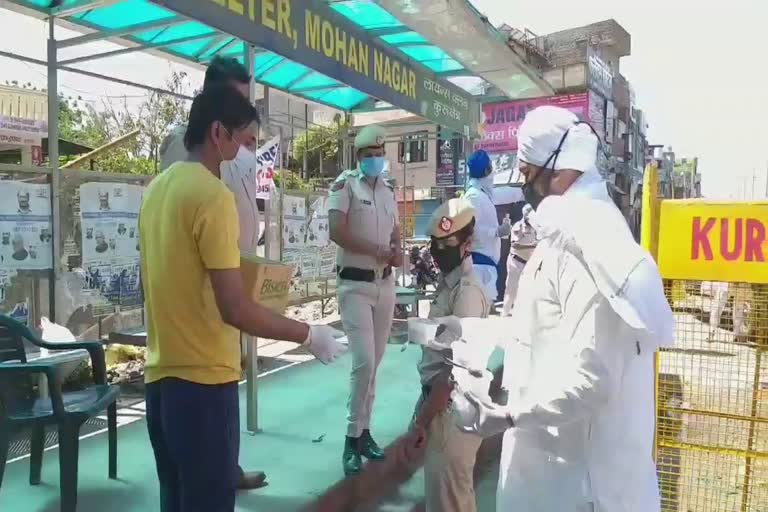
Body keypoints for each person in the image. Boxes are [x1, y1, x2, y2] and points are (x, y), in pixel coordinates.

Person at [452, 106, 675, 512]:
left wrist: (507, 415)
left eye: (525, 174)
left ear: (558, 170)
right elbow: (543, 328)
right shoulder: (565, 233)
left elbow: (594, 381)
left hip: (577, 488)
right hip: (552, 476)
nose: (524, 186)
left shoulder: (587, 245)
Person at [139, 85, 346, 512]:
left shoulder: (156, 191)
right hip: (203, 387)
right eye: (244, 140)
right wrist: (308, 334)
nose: (247, 151)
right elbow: (233, 307)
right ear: (218, 133)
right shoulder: (212, 196)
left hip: (160, 384)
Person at [158, 56, 265, 490]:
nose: (243, 111)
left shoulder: (239, 152)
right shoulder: (182, 151)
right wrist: (307, 335)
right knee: (206, 392)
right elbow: (187, 216)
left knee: (228, 375)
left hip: (232, 273)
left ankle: (227, 467)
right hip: (202, 292)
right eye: (236, 101)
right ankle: (217, 471)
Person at [328, 124, 401, 476]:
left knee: (377, 362)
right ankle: (350, 437)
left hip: (384, 285)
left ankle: (365, 432)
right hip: (354, 286)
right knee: (364, 362)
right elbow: (336, 231)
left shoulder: (388, 191)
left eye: (378, 154)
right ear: (358, 157)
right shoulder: (345, 186)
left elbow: (396, 230)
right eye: (368, 155)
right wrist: (377, 250)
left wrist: (398, 250)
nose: (374, 160)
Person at [412, 198, 489, 512]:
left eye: (446, 245)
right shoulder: (449, 287)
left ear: (467, 244)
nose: (438, 251)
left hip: (452, 414)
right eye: (435, 244)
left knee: (449, 503)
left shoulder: (466, 293)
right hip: (443, 410)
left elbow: (454, 371)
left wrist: (423, 418)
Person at [463, 149, 511, 304]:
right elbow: (469, 229)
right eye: (491, 167)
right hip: (479, 265)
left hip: (485, 265)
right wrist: (496, 232)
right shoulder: (474, 196)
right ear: (486, 170)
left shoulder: (482, 194)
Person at [501, 204, 537, 316]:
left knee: (531, 289)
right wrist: (534, 246)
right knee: (511, 289)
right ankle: (505, 312)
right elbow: (516, 245)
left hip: (530, 262)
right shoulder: (518, 226)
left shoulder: (537, 226)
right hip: (516, 261)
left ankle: (526, 314)